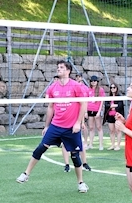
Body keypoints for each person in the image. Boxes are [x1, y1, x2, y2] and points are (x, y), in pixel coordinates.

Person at [17, 60, 89, 193]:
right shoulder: (53, 88)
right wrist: (46, 126)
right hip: (56, 126)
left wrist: (78, 123)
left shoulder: (76, 86)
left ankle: (81, 183)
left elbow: (83, 104)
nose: (58, 69)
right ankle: (26, 174)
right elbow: (50, 107)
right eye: (58, 67)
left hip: (71, 128)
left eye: (61, 67)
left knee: (75, 156)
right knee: (40, 148)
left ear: (68, 71)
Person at [104, 82, 125, 151]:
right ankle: (112, 145)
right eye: (111, 87)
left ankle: (118, 145)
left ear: (116, 88)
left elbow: (120, 106)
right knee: (111, 131)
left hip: (117, 116)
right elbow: (106, 105)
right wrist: (111, 106)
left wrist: (113, 106)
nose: (112, 89)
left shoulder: (119, 96)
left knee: (118, 130)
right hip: (110, 116)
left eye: (114, 87)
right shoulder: (109, 97)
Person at [85, 75, 105, 150]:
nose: (93, 82)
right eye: (92, 81)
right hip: (89, 110)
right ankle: (90, 144)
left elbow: (102, 101)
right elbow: (85, 101)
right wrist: (85, 112)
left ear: (97, 82)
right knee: (91, 127)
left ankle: (101, 145)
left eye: (94, 81)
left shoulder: (100, 90)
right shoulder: (88, 89)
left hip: (97, 110)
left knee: (99, 127)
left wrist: (99, 112)